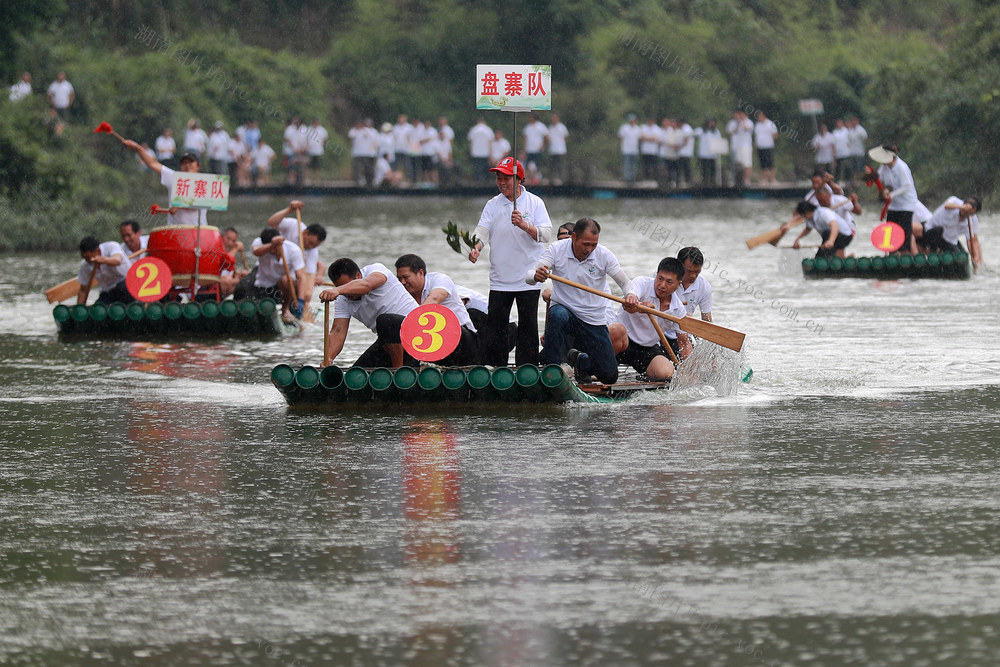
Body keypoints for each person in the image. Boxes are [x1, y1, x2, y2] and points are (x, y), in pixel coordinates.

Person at [529, 217, 637, 384]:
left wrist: (630, 295)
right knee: (557, 314)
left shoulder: (604, 255)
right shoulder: (556, 249)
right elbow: (530, 276)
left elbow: (625, 283)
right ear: (574, 237)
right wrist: (536, 275)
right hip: (565, 312)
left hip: (593, 319)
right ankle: (553, 370)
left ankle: (580, 361)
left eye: (593, 244)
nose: (590, 249)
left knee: (609, 376)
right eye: (586, 244)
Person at [467, 157, 552, 366]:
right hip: (500, 278)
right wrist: (476, 248)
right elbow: (482, 231)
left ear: (519, 179)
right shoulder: (492, 204)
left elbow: (546, 234)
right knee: (496, 327)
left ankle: (527, 369)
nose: (501, 182)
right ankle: (496, 368)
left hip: (528, 277)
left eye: (506, 177)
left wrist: (524, 225)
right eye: (498, 177)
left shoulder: (535, 202)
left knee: (528, 326)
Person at [319, 257, 419, 368]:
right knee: (356, 374)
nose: (347, 293)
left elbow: (366, 285)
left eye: (347, 286)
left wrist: (338, 290)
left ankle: (398, 371)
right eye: (340, 287)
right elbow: (337, 332)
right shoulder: (342, 298)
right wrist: (328, 357)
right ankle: (398, 369)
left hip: (416, 331)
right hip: (391, 343)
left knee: (385, 321)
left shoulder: (376, 270)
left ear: (358, 276)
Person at [609, 256, 691, 380]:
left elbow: (684, 342)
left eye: (669, 282)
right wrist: (637, 305)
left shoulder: (678, 310)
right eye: (660, 279)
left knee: (666, 374)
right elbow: (628, 306)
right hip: (622, 341)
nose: (662, 285)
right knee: (615, 329)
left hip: (647, 349)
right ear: (656, 275)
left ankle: (645, 376)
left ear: (678, 285)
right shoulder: (642, 283)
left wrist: (689, 373)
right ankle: (599, 366)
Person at [394, 254, 478, 365]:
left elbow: (435, 298)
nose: (403, 282)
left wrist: (411, 321)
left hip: (463, 339)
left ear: (420, 273)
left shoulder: (439, 279)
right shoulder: (404, 294)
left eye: (406, 277)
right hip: (433, 345)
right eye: (399, 279)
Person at [124, 140, 209, 228]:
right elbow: (152, 163)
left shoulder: (207, 182)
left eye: (190, 162)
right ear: (180, 166)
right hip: (174, 229)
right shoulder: (174, 177)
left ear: (198, 165)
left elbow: (206, 202)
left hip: (200, 230)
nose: (187, 165)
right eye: (184, 163)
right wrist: (138, 148)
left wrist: (179, 205)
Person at [267, 200, 328, 312]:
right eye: (310, 242)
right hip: (272, 269)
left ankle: (287, 310)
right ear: (305, 232)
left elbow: (308, 277)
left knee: (287, 280)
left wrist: (305, 301)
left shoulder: (313, 251)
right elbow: (271, 222)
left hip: (289, 280)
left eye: (314, 246)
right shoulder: (294, 225)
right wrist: (289, 210)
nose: (310, 247)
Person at [870, 144, 920, 254]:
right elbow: (878, 177)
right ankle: (891, 254)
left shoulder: (901, 167)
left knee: (904, 231)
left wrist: (891, 195)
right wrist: (869, 175)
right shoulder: (884, 167)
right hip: (893, 205)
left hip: (906, 204)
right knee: (891, 229)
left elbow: (907, 186)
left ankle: (905, 254)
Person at [250, 228, 306, 319]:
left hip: (285, 288)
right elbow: (256, 252)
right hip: (264, 286)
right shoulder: (258, 242)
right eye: (270, 249)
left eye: (275, 248)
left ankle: (285, 309)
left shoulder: (293, 250)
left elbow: (300, 277)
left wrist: (301, 300)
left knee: (285, 280)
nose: (272, 251)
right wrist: (272, 245)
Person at [913, 196, 982, 258]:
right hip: (930, 233)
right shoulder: (954, 201)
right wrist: (962, 207)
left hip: (948, 240)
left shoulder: (972, 220)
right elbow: (947, 205)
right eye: (966, 211)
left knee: (962, 256)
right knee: (939, 230)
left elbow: (970, 240)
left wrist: (974, 256)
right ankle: (933, 253)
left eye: (971, 213)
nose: (966, 214)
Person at [76, 236, 133, 305]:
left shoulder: (111, 246)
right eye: (84, 258)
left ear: (98, 251)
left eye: (89, 258)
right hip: (108, 291)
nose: (87, 261)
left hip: (127, 284)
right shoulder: (85, 265)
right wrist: (80, 307)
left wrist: (104, 260)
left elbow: (118, 260)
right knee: (98, 308)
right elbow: (83, 290)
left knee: (121, 287)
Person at [787, 201, 853, 258]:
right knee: (827, 254)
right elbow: (807, 229)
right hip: (833, 238)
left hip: (844, 236)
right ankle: (848, 258)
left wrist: (831, 241)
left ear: (806, 212)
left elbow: (834, 226)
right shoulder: (810, 218)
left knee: (823, 254)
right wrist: (797, 240)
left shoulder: (823, 212)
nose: (803, 218)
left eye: (803, 215)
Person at [677, 246, 712, 322]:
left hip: (684, 329)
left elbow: (707, 318)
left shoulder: (704, 286)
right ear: (679, 266)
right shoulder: (663, 278)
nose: (693, 276)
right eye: (689, 271)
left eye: (697, 271)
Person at [726, 109, 753, 187]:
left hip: (746, 146)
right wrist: (737, 124)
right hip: (735, 146)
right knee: (735, 164)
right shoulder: (732, 123)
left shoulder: (749, 122)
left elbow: (746, 128)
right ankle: (735, 180)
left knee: (747, 163)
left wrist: (743, 121)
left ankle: (746, 180)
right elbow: (730, 132)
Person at [220, 227, 249, 298]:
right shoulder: (215, 250)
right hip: (207, 287)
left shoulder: (230, 254)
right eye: (228, 238)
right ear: (221, 237)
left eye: (233, 241)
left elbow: (228, 269)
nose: (230, 243)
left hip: (221, 288)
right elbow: (226, 262)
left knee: (246, 277)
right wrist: (235, 249)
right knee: (228, 281)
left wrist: (238, 275)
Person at [349, 118, 378, 187]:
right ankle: (357, 182)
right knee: (357, 168)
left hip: (367, 154)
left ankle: (369, 182)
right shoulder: (353, 131)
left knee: (368, 168)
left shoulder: (368, 131)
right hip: (356, 153)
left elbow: (373, 140)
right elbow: (350, 137)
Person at [753, 111, 778, 184]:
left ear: (764, 116)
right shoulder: (757, 125)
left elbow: (775, 135)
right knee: (762, 163)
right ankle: (764, 180)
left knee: (770, 163)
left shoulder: (770, 124)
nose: (759, 118)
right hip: (760, 146)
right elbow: (756, 135)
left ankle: (773, 179)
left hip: (768, 146)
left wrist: (770, 142)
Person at [695, 118, 721, 186]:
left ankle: (713, 182)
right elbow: (695, 133)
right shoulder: (701, 130)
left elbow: (719, 141)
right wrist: (703, 128)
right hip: (703, 153)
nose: (711, 124)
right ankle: (704, 182)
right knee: (704, 169)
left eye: (712, 122)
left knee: (712, 169)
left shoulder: (716, 131)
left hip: (712, 154)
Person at [467, 118, 494, 183]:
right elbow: (490, 142)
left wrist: (471, 150)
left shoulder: (473, 130)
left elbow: (470, 141)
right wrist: (491, 152)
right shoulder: (488, 130)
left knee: (477, 168)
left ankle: (478, 181)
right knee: (486, 167)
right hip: (485, 152)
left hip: (476, 152)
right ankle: (487, 180)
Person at [618, 113, 641, 185]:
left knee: (634, 165)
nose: (632, 121)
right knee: (626, 165)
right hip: (626, 150)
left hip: (635, 150)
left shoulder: (638, 128)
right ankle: (627, 179)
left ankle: (632, 179)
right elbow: (620, 137)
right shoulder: (624, 128)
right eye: (631, 120)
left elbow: (640, 138)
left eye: (634, 120)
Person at [846, 116, 868, 188]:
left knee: (861, 167)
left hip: (860, 152)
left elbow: (865, 138)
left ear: (857, 121)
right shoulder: (850, 130)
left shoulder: (861, 130)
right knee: (854, 168)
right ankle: (854, 182)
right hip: (853, 152)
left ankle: (863, 181)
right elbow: (849, 140)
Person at [638, 116, 662, 182]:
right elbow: (641, 137)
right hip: (645, 151)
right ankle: (646, 179)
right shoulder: (643, 127)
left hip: (653, 151)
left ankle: (654, 179)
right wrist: (651, 138)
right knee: (645, 166)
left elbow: (656, 139)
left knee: (654, 166)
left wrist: (646, 138)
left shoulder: (657, 129)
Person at [306, 117, 329, 184]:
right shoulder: (309, 129)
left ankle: (316, 179)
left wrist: (323, 145)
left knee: (317, 166)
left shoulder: (322, 130)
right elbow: (306, 139)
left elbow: (325, 139)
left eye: (317, 122)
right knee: (308, 166)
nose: (316, 123)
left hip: (318, 151)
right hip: (310, 151)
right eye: (314, 122)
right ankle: (307, 179)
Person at [547, 113, 569, 185]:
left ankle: (562, 179)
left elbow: (566, 137)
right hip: (552, 150)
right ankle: (551, 179)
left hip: (560, 150)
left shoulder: (562, 127)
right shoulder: (550, 127)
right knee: (552, 166)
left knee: (561, 166)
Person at [675, 118, 695, 188]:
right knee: (680, 168)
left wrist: (679, 147)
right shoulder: (683, 129)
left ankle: (687, 181)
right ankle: (680, 182)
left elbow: (686, 140)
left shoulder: (687, 128)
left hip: (685, 152)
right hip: (682, 153)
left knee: (685, 168)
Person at [832, 119, 851, 183]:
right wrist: (834, 153)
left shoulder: (846, 131)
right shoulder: (835, 132)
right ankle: (837, 179)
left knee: (847, 166)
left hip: (846, 152)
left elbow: (849, 140)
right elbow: (833, 143)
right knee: (838, 167)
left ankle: (847, 179)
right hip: (838, 153)